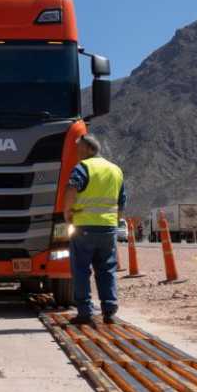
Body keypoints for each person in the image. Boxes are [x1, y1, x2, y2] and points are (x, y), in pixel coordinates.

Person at [64, 134, 126, 325]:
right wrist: (114, 221)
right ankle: (109, 312)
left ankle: (85, 312)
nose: (77, 152)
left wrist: (68, 212)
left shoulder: (83, 168)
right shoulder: (116, 170)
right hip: (108, 228)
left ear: (90, 149)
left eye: (80, 148)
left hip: (84, 227)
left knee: (81, 270)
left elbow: (72, 188)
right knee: (107, 269)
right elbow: (122, 201)